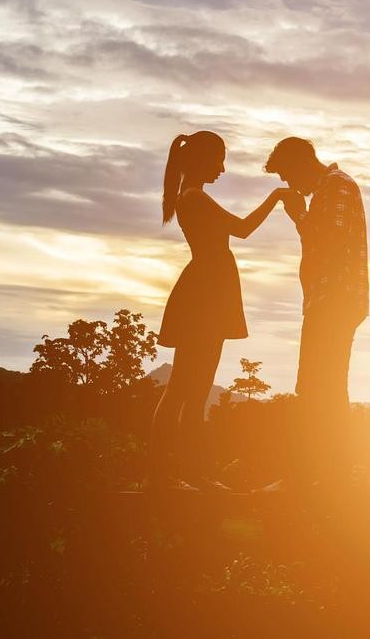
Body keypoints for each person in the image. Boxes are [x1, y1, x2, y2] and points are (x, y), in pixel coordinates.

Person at [149, 131, 291, 492]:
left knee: (188, 389)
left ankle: (180, 473)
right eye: (218, 160)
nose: (223, 168)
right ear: (200, 160)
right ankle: (174, 474)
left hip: (206, 295)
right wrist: (275, 196)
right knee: (187, 390)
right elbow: (243, 229)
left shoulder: (193, 196)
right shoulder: (195, 198)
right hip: (204, 299)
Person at [263, 136, 369, 489]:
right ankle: (329, 475)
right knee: (324, 386)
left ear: (302, 165)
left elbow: (331, 243)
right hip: (331, 300)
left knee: (316, 386)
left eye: (290, 177)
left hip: (334, 300)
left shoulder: (336, 186)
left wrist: (299, 216)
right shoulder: (333, 187)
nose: (293, 187)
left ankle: (312, 477)